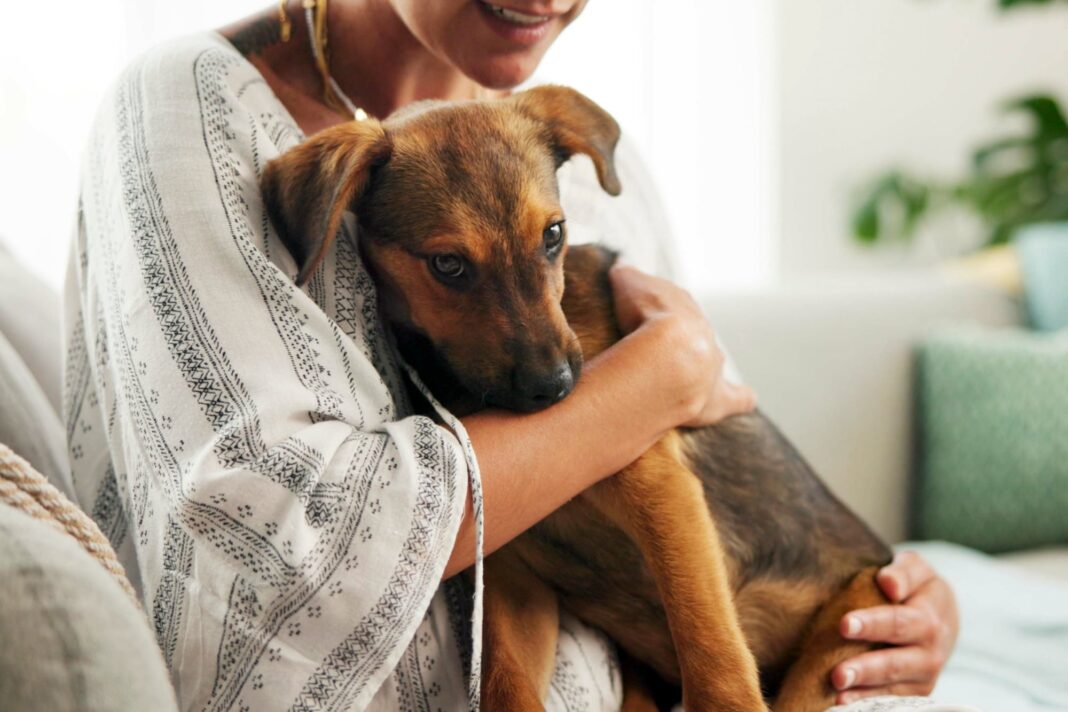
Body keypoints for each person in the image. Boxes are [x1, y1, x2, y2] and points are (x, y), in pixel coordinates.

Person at [64, 1, 958, 709]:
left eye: (550, 244)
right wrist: (661, 373)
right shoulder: (195, 110)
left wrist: (920, 609)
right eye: (451, 266)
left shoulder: (565, 146)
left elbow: (697, 502)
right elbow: (279, 548)